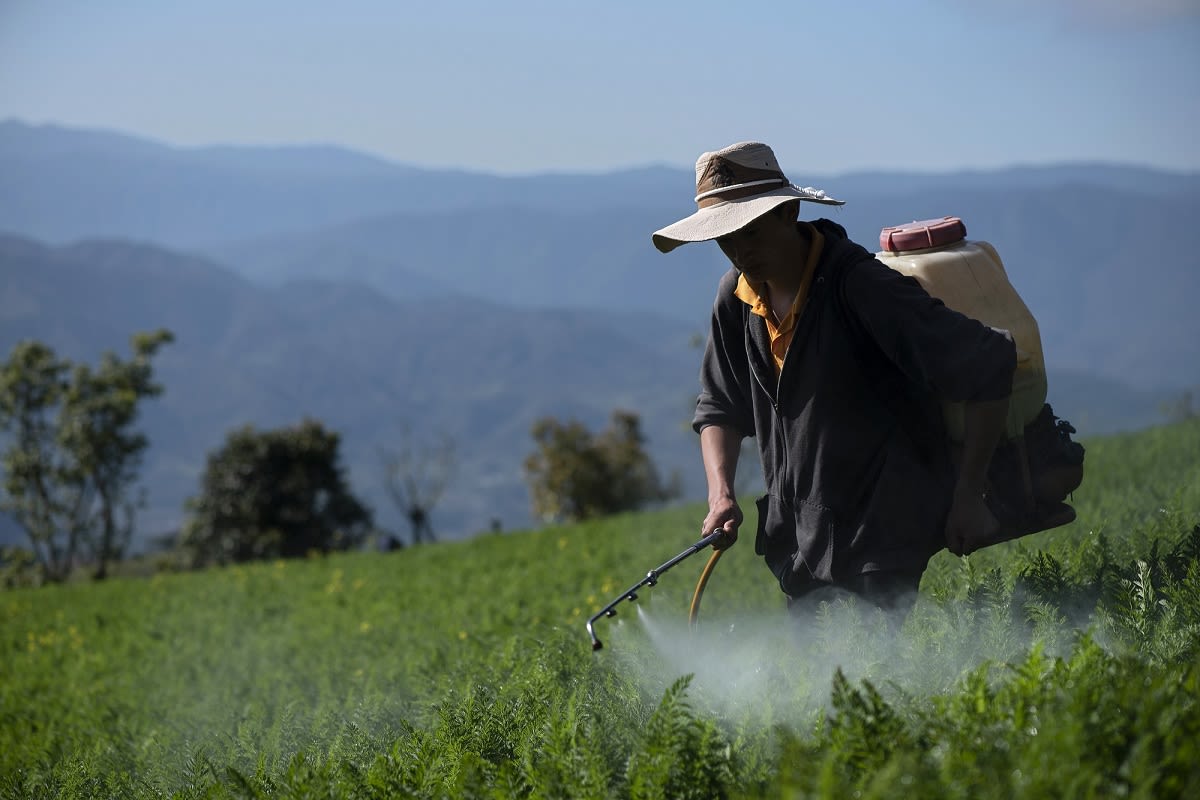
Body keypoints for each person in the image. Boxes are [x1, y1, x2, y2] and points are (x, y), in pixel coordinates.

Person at [652, 141, 1016, 615]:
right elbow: (720, 404)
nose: (740, 252)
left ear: (788, 213)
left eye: (750, 232)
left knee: (883, 671)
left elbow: (989, 361)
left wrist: (968, 495)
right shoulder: (736, 298)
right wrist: (720, 495)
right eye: (726, 239)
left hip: (882, 529)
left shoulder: (859, 286)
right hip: (796, 538)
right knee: (818, 680)